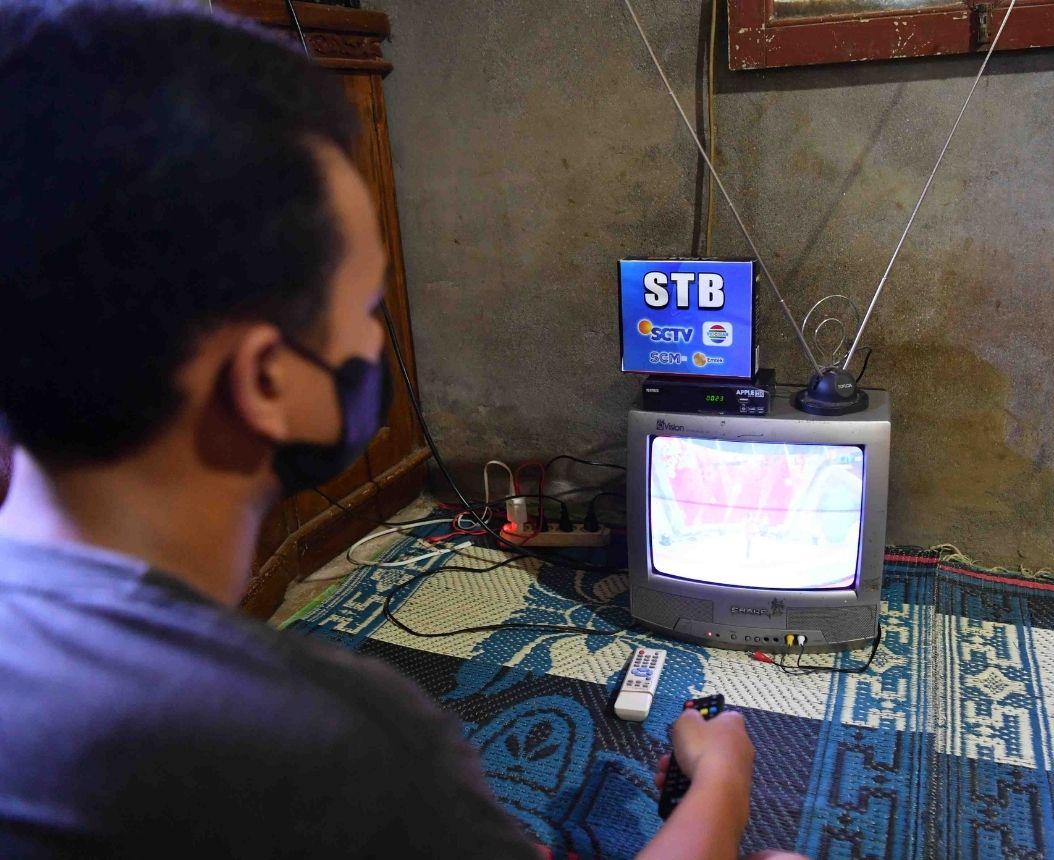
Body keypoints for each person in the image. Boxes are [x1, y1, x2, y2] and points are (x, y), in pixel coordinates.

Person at [0, 3, 807, 858]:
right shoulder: (337, 744)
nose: (374, 341)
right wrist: (723, 782)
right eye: (364, 307)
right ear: (266, 381)